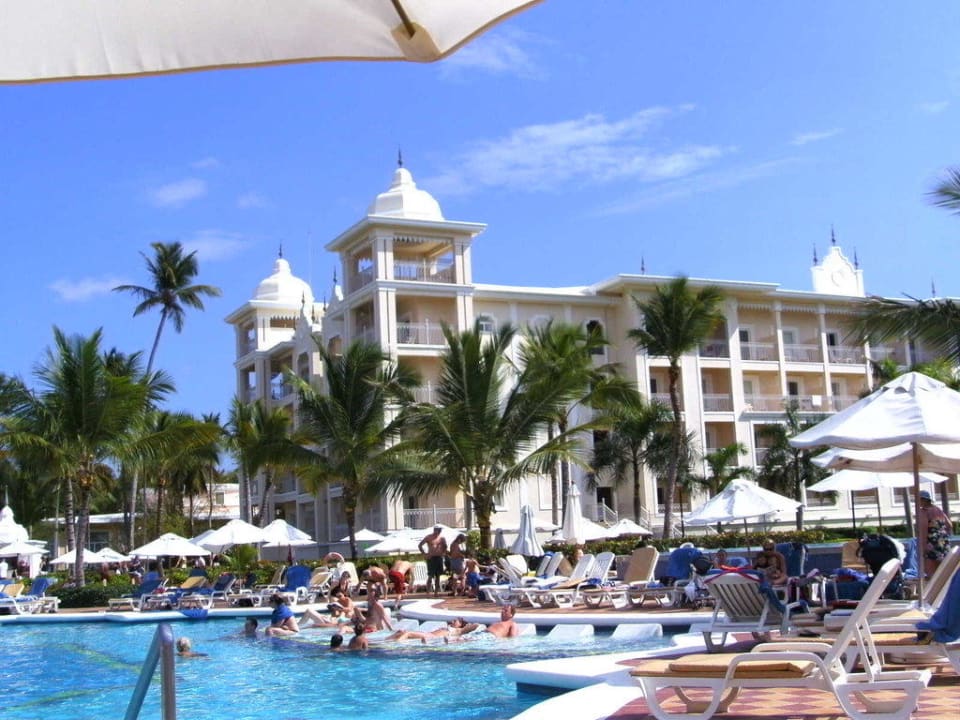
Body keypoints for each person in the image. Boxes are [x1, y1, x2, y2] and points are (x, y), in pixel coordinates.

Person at [917, 489, 955, 578]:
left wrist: (922, 548)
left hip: (931, 543)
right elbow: (949, 525)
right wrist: (942, 534)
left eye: (919, 500)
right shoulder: (938, 509)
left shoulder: (924, 512)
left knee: (931, 573)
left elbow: (923, 530)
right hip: (943, 542)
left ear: (924, 500)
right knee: (944, 571)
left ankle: (933, 590)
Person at [385, 617, 480, 644]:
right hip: (428, 634)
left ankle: (396, 645)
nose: (452, 621)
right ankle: (384, 641)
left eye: (455, 621)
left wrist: (466, 626)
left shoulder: (458, 630)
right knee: (400, 631)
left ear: (460, 624)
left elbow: (476, 625)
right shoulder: (450, 627)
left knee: (407, 633)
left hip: (432, 637)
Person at [419, 525, 448, 597]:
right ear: (435, 530)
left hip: (439, 558)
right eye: (439, 530)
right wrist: (424, 554)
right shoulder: (428, 537)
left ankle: (436, 592)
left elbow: (445, 546)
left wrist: (443, 552)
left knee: (438, 576)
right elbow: (420, 545)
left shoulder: (442, 538)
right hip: (431, 558)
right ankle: (428, 592)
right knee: (430, 575)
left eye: (440, 530)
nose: (440, 531)